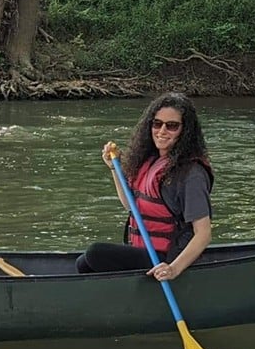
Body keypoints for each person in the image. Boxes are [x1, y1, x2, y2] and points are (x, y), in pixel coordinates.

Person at [77, 92, 213, 282]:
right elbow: (130, 206)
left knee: (95, 253)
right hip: (144, 251)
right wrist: (114, 169)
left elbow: (204, 233)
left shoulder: (191, 174)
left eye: (172, 126)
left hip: (167, 258)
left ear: (185, 131)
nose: (162, 131)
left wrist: (173, 269)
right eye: (157, 124)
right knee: (83, 263)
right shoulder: (150, 161)